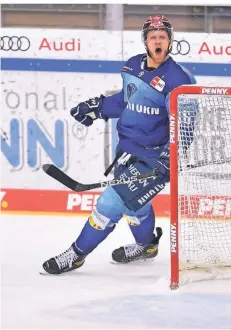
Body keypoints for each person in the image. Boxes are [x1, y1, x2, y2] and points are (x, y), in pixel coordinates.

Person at [42, 15, 197, 275]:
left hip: (154, 158)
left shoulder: (180, 79)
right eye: (153, 37)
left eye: (163, 37)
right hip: (126, 151)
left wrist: (168, 160)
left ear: (170, 42)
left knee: (110, 204)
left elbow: (185, 127)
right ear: (145, 41)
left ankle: (76, 254)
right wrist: (98, 108)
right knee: (136, 205)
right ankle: (147, 246)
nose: (158, 41)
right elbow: (125, 103)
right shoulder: (131, 67)